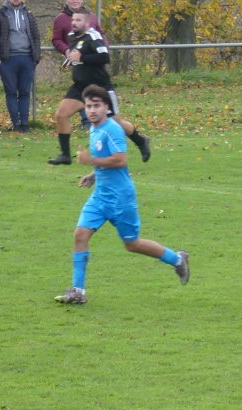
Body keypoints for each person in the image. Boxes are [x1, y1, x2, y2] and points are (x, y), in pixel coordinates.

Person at [54, 84, 188, 305]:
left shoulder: (113, 129)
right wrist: (94, 174)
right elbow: (107, 159)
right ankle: (78, 291)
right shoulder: (94, 129)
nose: (92, 110)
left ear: (107, 107)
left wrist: (90, 160)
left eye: (96, 106)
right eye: (88, 106)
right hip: (100, 197)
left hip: (121, 198)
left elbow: (120, 160)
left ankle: (177, 259)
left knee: (132, 244)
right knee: (80, 235)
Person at [48, 8, 150, 166]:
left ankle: (141, 141)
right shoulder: (71, 36)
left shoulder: (93, 36)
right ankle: (65, 155)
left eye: (78, 20)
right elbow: (76, 53)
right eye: (73, 20)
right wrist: (70, 60)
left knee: (115, 123)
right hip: (80, 86)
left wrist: (82, 57)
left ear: (87, 23)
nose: (74, 23)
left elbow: (104, 57)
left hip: (100, 87)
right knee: (61, 115)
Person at [0, 0, 41, 132]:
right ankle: (16, 124)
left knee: (25, 92)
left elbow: (36, 37)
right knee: (11, 92)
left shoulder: (29, 14)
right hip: (8, 60)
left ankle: (25, 123)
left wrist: (36, 58)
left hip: (27, 58)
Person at [51, 0, 103, 130]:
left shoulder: (92, 16)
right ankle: (87, 121)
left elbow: (101, 35)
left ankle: (95, 120)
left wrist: (103, 49)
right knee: (83, 88)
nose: (75, 1)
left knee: (93, 89)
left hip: (93, 61)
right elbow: (56, 39)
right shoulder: (60, 19)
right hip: (77, 61)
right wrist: (66, 50)